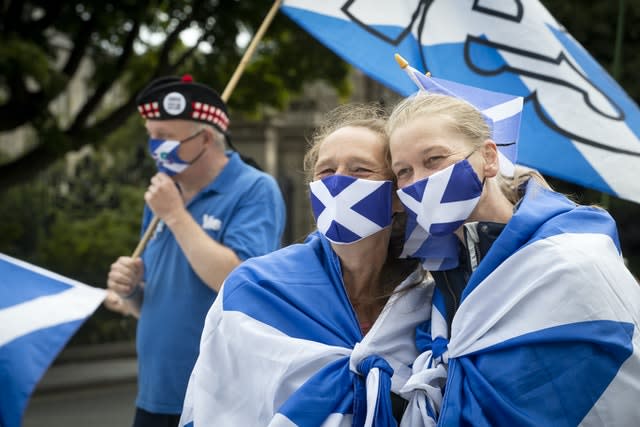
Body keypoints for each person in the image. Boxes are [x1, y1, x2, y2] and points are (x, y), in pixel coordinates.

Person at [386, 91, 640, 426]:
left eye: (434, 159)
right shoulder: (434, 280)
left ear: (489, 158)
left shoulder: (572, 256)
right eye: (403, 171)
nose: (419, 181)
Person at [179, 104, 434, 426]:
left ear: (397, 196)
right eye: (326, 171)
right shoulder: (255, 289)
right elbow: (215, 405)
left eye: (360, 170)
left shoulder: (426, 302)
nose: (338, 183)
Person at [104, 74, 286, 427]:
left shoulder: (254, 189)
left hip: (219, 402)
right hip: (155, 395)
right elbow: (155, 303)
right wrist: (130, 291)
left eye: (165, 138)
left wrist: (175, 214)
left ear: (205, 138)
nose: (155, 147)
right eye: (151, 136)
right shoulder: (162, 192)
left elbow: (237, 282)